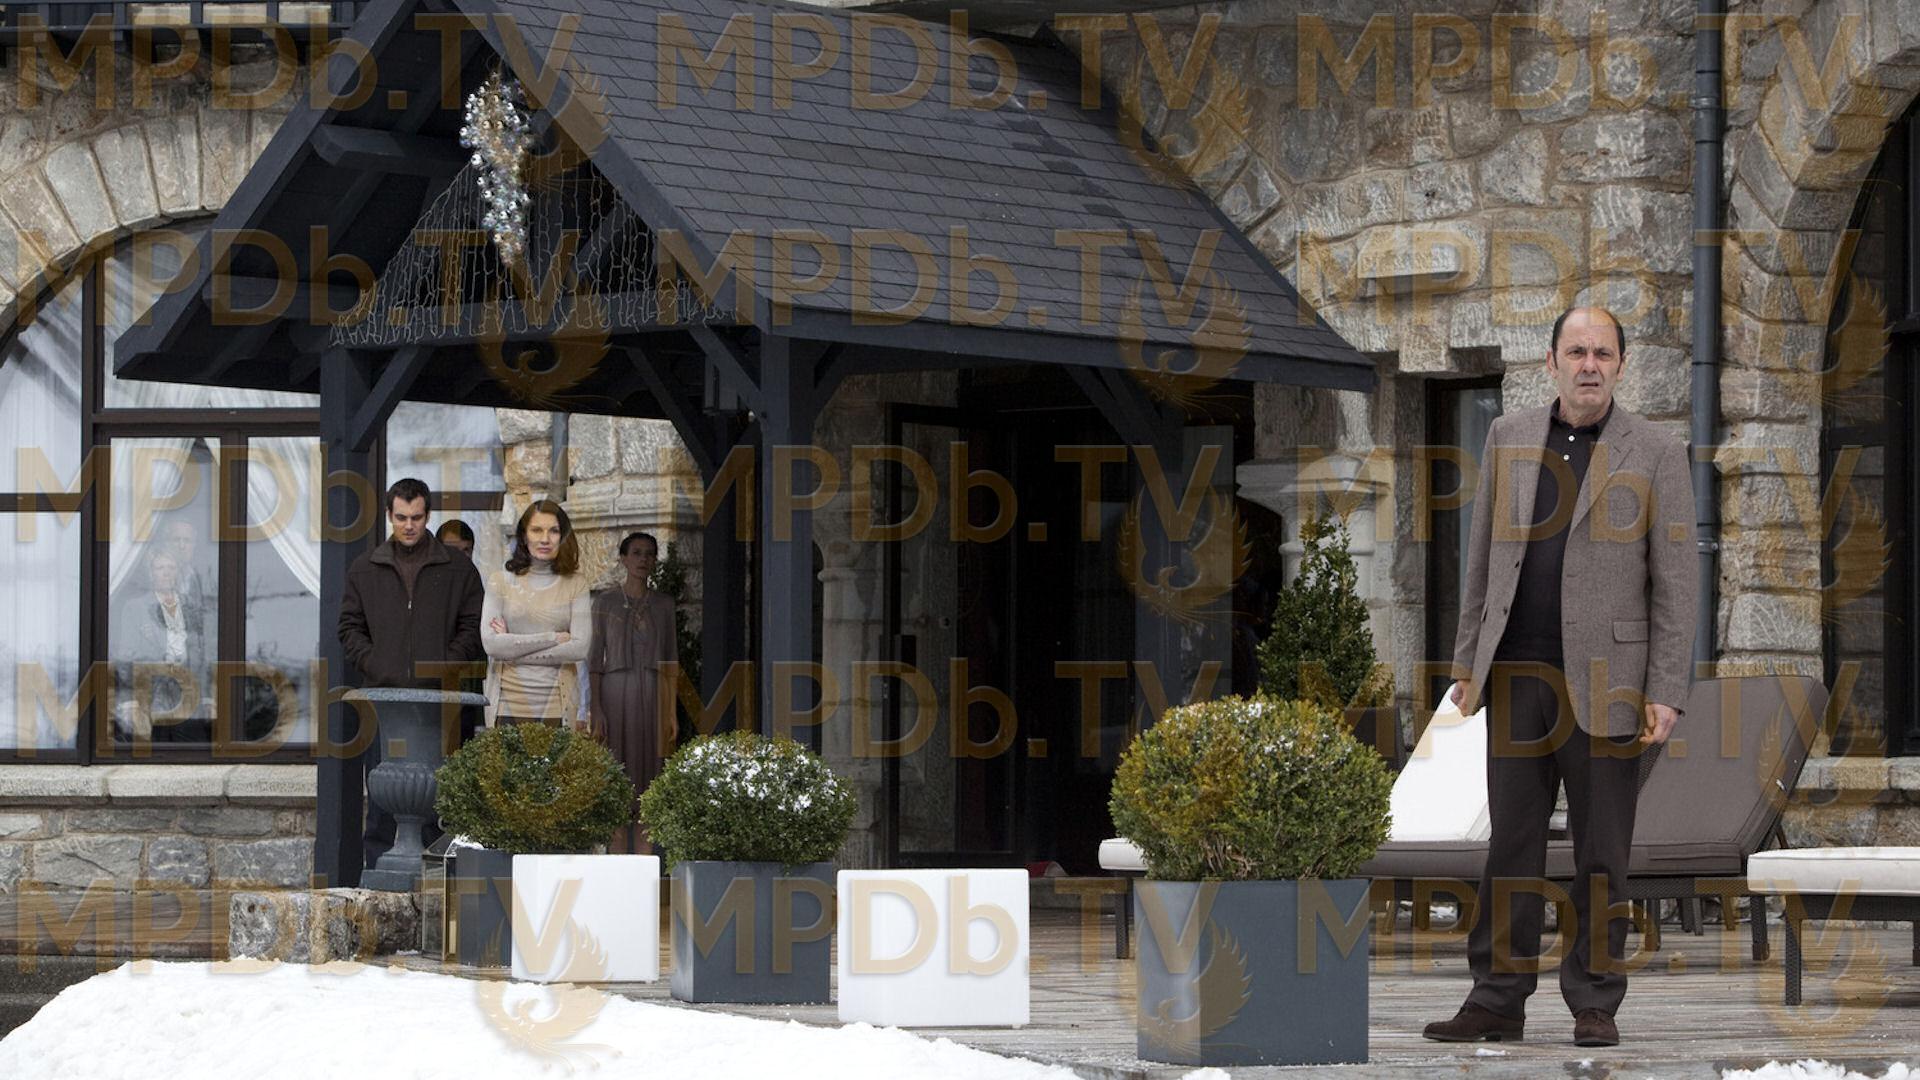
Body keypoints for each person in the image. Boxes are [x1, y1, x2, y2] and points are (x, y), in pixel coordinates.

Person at [1423, 307, 1697, 1049]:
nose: (1589, 364)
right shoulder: (1508, 436)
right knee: (1510, 845)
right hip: (1515, 675)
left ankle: (1595, 1000)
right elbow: (1481, 558)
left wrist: (1666, 687)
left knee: (1601, 850)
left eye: (1602, 353)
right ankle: (1497, 998)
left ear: (1620, 365)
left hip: (1612, 681)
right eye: (1576, 351)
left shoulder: (1657, 450)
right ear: (1551, 362)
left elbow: (1676, 582)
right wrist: (1467, 663)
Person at [337, 477, 486, 869]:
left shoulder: (458, 569)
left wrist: (444, 666)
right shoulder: (365, 568)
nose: (408, 525)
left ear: (428, 516)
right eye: (401, 517)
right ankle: (379, 879)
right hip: (385, 703)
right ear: (389, 515)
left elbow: (473, 628)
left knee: (442, 797)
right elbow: (349, 628)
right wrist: (378, 665)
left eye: (416, 518)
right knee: (383, 797)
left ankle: (439, 880)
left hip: (441, 704)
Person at [589, 531, 680, 853]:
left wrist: (671, 713)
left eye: (650, 554)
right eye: (637, 553)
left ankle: (644, 865)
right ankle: (616, 867)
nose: (644, 559)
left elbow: (670, 661)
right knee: (616, 777)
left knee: (650, 778)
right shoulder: (605, 602)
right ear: (624, 558)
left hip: (653, 696)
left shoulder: (664, 604)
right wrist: (596, 708)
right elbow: (594, 661)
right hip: (615, 695)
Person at [483, 500, 592, 726]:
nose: (545, 539)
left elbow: (580, 648)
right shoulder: (499, 581)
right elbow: (492, 645)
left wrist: (512, 650)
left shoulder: (577, 583)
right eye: (536, 530)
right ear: (524, 536)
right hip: (506, 704)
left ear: (563, 536)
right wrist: (552, 638)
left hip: (558, 707)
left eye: (554, 531)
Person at [112, 548, 208, 742]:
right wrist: (130, 699)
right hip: (152, 693)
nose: (166, 573)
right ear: (151, 573)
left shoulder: (193, 606)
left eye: (171, 568)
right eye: (160, 568)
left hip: (189, 694)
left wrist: (208, 696)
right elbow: (126, 655)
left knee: (194, 749)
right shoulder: (135, 607)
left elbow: (205, 653)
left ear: (178, 572)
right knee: (157, 749)